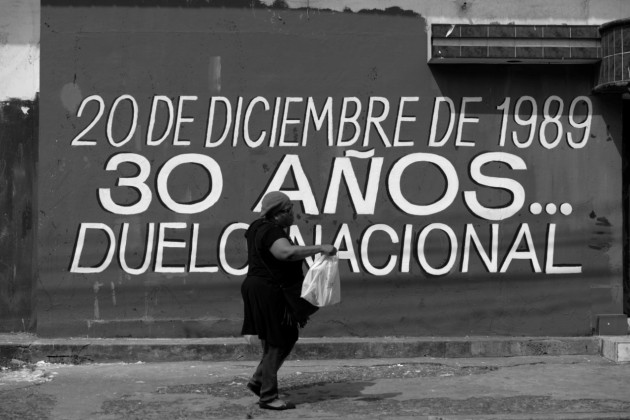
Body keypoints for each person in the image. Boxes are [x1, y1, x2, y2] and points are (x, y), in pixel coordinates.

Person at [241, 191, 337, 411]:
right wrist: (320, 248)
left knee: (286, 336)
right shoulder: (270, 231)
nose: (293, 214)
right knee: (276, 340)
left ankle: (259, 380)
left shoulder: (258, 227)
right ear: (278, 213)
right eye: (289, 210)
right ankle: (267, 397)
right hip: (268, 291)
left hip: (260, 287)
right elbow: (285, 253)